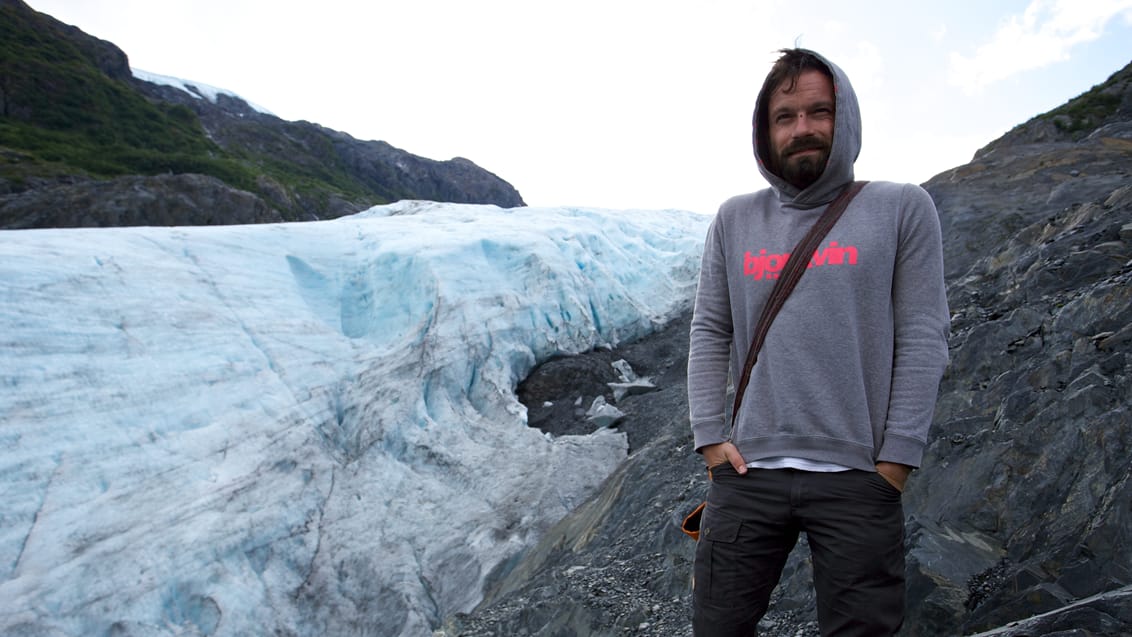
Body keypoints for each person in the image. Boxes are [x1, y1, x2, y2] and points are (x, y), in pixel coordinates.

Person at [687, 48, 950, 636]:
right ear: (765, 130)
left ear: (845, 118)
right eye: (785, 116)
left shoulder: (902, 208)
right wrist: (710, 438)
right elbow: (710, 329)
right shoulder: (734, 219)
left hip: (859, 475)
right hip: (748, 473)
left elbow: (923, 335)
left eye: (818, 111)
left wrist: (896, 462)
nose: (802, 128)